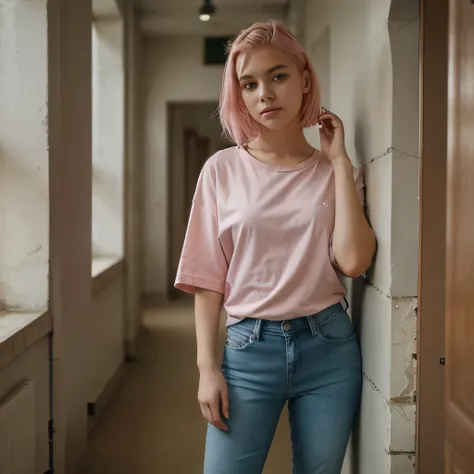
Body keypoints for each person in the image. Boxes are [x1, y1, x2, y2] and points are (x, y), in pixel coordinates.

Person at [174, 19, 376, 474]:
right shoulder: (221, 170)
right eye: (250, 84)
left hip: (328, 347)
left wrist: (340, 163)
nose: (264, 93)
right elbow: (207, 279)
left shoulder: (333, 173)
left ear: (305, 79)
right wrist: (208, 368)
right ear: (239, 96)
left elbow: (354, 260)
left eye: (278, 76)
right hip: (248, 350)